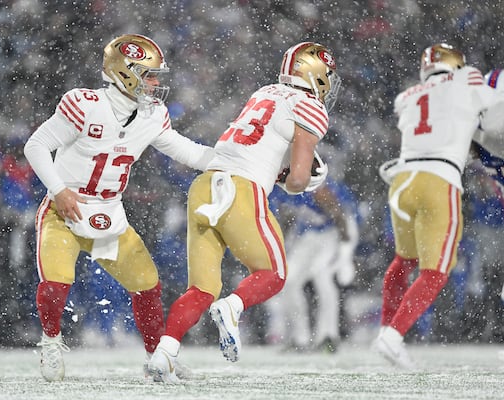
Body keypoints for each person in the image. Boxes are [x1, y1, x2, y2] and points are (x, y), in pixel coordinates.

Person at [23, 33, 214, 382]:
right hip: (63, 211)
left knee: (147, 283)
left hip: (109, 212)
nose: (155, 83)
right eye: (149, 74)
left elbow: (186, 150)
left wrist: (235, 162)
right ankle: (51, 343)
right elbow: (36, 146)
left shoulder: (152, 115)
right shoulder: (85, 104)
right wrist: (60, 191)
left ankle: (157, 358)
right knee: (56, 283)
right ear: (125, 72)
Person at [147, 41, 341, 383]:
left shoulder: (264, 92)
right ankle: (232, 308)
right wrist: (298, 181)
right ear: (316, 74)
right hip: (241, 190)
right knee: (274, 274)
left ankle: (164, 354)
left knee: (201, 288)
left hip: (205, 186)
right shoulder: (310, 105)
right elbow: (297, 179)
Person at [373, 44, 504, 369]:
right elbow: (494, 116)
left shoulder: (407, 96)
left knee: (403, 262)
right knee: (435, 273)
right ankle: (393, 337)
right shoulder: (469, 81)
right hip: (439, 178)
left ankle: (386, 329)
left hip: (402, 180)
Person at [266, 176, 358, 353]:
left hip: (332, 233)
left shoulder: (314, 185)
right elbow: (287, 219)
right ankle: (300, 338)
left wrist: (346, 254)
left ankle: (328, 337)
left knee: (322, 278)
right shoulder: (280, 187)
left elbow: (341, 217)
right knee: (289, 280)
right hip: (307, 236)